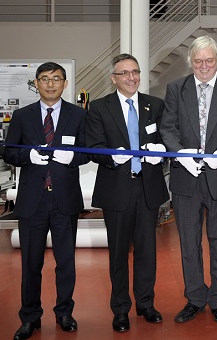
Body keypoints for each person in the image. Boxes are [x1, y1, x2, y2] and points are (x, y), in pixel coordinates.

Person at [160, 35, 217, 325]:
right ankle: (195, 298)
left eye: (209, 60)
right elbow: (168, 127)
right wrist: (179, 153)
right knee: (188, 243)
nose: (204, 66)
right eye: (198, 61)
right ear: (191, 63)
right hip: (186, 178)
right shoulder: (176, 89)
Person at [3, 62, 90, 340]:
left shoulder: (79, 115)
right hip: (32, 201)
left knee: (66, 262)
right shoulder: (21, 116)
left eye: (56, 79)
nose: (50, 84)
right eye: (44, 79)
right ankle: (30, 317)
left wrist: (72, 157)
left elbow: (87, 152)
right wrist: (27, 156)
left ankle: (64, 312)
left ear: (65, 83)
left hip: (64, 201)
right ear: (36, 83)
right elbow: (8, 152)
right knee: (31, 263)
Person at [85, 54, 169, 332]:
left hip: (147, 188)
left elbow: (165, 139)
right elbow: (93, 146)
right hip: (117, 189)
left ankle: (146, 304)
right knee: (119, 253)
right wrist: (112, 156)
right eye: (124, 73)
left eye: (135, 72)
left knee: (147, 252)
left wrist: (161, 153)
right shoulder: (99, 108)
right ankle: (120, 309)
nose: (131, 78)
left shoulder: (155, 105)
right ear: (113, 78)